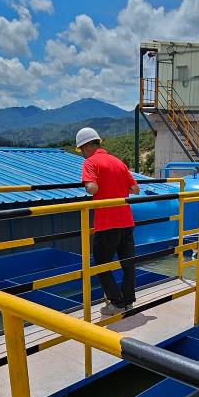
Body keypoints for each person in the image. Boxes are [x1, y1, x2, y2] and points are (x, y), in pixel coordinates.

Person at [77, 127, 138, 314]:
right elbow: (135, 189)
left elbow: (92, 188)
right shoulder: (118, 162)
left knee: (101, 264)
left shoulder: (90, 163)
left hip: (107, 223)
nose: (82, 154)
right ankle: (128, 301)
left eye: (81, 150)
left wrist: (90, 185)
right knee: (128, 264)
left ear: (88, 146)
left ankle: (117, 303)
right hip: (126, 221)